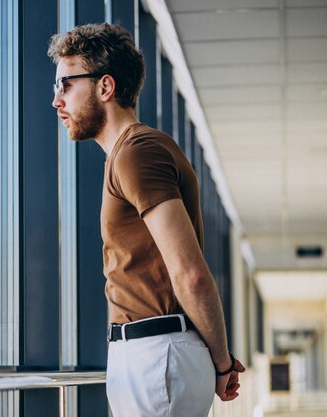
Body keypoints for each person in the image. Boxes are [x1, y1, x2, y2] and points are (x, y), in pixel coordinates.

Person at [47, 23, 245, 417]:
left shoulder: (137, 151)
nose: (57, 101)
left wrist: (222, 363)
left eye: (65, 85)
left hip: (158, 356)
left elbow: (190, 272)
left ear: (105, 87)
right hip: (152, 356)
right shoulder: (129, 153)